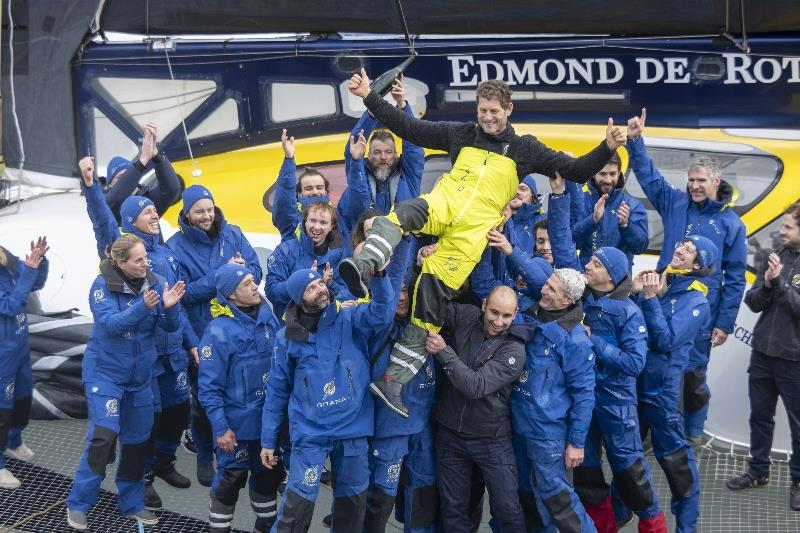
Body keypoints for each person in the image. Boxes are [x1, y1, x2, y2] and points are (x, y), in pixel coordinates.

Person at [342, 70, 626, 416]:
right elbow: (409, 128)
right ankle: (363, 267)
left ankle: (393, 381)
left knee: (430, 305)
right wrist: (371, 96)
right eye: (482, 110)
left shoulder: (526, 148)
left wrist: (608, 146)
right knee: (402, 213)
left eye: (494, 111)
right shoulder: (462, 133)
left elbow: (578, 170)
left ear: (509, 109)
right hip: (445, 204)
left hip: (472, 234)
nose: (487, 117)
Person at [546, 173, 667, 532]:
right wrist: (558, 197)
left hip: (616, 403)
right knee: (586, 472)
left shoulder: (629, 311)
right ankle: (601, 526)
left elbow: (634, 363)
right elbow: (565, 246)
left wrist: (591, 342)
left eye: (596, 264)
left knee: (629, 471)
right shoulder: (582, 294)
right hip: (584, 402)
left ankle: (653, 523)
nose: (588, 265)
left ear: (612, 277)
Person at [79, 156, 194, 510]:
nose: (155, 215)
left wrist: (190, 343)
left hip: (168, 348)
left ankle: (164, 463)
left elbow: (176, 304)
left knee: (177, 413)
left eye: (155, 212)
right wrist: (89, 187)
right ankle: (141, 479)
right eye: (148, 212)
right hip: (141, 359)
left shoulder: (164, 250)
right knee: (145, 422)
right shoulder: (119, 249)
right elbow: (103, 215)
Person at [626, 109, 747, 442]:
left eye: (701, 181)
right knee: (654, 369)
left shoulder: (732, 224)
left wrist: (724, 322)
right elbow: (648, 177)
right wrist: (635, 141)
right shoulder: (675, 203)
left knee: (692, 377)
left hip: (699, 314)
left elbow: (735, 278)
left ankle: (692, 435)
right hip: (662, 302)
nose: (694, 186)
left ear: (716, 183)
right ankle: (651, 434)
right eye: (691, 180)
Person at [260, 265, 395, 532]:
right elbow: (277, 390)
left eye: (321, 283)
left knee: (353, 504)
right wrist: (268, 440)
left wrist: (380, 277)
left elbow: (382, 312)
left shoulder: (350, 316)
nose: (321, 289)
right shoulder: (287, 338)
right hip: (311, 432)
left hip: (353, 427)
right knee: (297, 505)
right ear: (299, 299)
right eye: (311, 288)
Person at [66, 234, 185, 530]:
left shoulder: (154, 283)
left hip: (141, 380)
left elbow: (169, 327)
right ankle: (79, 504)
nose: (146, 264)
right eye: (138, 260)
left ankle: (131, 503)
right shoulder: (101, 286)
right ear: (119, 262)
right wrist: (143, 307)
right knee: (103, 439)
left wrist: (170, 309)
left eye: (146, 257)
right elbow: (112, 325)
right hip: (105, 376)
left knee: (137, 445)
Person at [167, 184, 262, 486]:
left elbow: (255, 271)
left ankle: (238, 451)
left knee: (242, 389)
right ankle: (204, 452)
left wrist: (239, 274)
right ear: (187, 213)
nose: (207, 215)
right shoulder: (174, 248)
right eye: (199, 211)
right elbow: (184, 295)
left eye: (209, 209)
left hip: (240, 328)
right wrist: (224, 275)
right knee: (205, 399)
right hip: (203, 332)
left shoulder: (231, 233)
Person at [629, 234, 719, 533]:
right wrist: (633, 292)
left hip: (662, 395)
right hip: (634, 386)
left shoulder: (697, 300)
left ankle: (686, 527)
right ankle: (615, 519)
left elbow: (665, 340)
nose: (680, 249)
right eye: (682, 244)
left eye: (690, 249)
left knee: (676, 466)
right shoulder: (660, 280)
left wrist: (651, 299)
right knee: (625, 460)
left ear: (698, 264)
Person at [425, 285, 528, 532]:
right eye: (494, 312)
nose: (499, 321)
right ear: (483, 306)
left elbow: (476, 385)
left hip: (492, 440)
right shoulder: (467, 315)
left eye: (506, 316)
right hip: (451, 435)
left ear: (515, 315)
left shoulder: (515, 349)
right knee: (453, 508)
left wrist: (443, 352)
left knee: (507, 509)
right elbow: (430, 306)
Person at [508, 269, 598, 533]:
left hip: (548, 434)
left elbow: (584, 394)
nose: (544, 290)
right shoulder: (527, 312)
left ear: (567, 300)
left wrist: (577, 443)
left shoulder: (576, 340)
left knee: (558, 502)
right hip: (517, 427)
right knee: (527, 496)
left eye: (552, 289)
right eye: (547, 283)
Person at [198, 264, 285, 533]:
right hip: (235, 428)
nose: (255, 286)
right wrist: (221, 428)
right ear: (231, 295)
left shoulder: (268, 315)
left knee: (268, 479)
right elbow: (208, 389)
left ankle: (265, 527)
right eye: (247, 283)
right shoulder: (218, 332)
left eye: (253, 280)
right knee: (230, 481)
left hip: (269, 425)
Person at [726, 202, 800, 511]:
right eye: (782, 225)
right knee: (759, 416)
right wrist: (768, 284)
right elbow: (753, 302)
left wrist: (779, 283)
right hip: (763, 355)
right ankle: (758, 472)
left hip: (794, 360)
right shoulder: (776, 256)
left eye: (788, 226)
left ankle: (798, 481)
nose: (780, 230)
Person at [364, 237, 440, 533]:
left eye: (406, 290)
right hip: (389, 427)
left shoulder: (422, 326)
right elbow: (389, 285)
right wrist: (405, 240)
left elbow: (429, 290)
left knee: (421, 493)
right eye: (395, 291)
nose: (401, 297)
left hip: (422, 424)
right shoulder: (376, 326)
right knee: (380, 498)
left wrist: (421, 261)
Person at [338, 76, 425, 234]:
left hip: (402, 251)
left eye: (388, 152)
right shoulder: (358, 175)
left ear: (396, 155)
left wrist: (402, 105)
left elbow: (414, 147)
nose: (383, 157)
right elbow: (354, 147)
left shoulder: (409, 176)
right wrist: (372, 110)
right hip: (364, 251)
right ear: (368, 156)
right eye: (377, 152)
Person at [0, 236, 49, 489]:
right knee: (2, 411)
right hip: (2, 357)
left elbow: (36, 281)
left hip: (18, 349)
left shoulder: (4, 261)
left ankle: (14, 440)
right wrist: (28, 270)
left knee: (22, 400)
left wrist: (38, 261)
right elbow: (10, 306)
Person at [266, 201, 349, 323]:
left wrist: (330, 285)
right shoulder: (284, 251)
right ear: (305, 222)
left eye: (323, 222)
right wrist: (301, 282)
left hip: (327, 327)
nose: (316, 227)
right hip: (292, 329)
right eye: (313, 220)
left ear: (331, 226)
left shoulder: (341, 255)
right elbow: (272, 292)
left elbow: (348, 295)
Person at [565, 151, 649, 267]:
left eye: (612, 174)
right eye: (603, 174)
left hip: (620, 280)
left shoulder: (633, 205)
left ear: (619, 173)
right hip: (587, 276)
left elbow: (639, 248)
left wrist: (626, 226)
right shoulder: (581, 202)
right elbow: (569, 243)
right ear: (593, 174)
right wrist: (592, 221)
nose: (608, 180)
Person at [103, 122, 183, 221]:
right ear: (110, 185)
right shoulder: (105, 207)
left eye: (129, 174)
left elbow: (172, 189)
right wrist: (143, 159)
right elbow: (116, 199)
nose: (127, 179)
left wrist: (155, 154)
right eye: (120, 177)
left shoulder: (148, 202)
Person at [271, 129, 332, 242]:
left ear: (326, 191)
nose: (315, 191)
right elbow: (284, 196)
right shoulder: (291, 220)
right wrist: (289, 158)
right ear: (299, 193)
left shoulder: (338, 216)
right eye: (309, 188)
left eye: (319, 187)